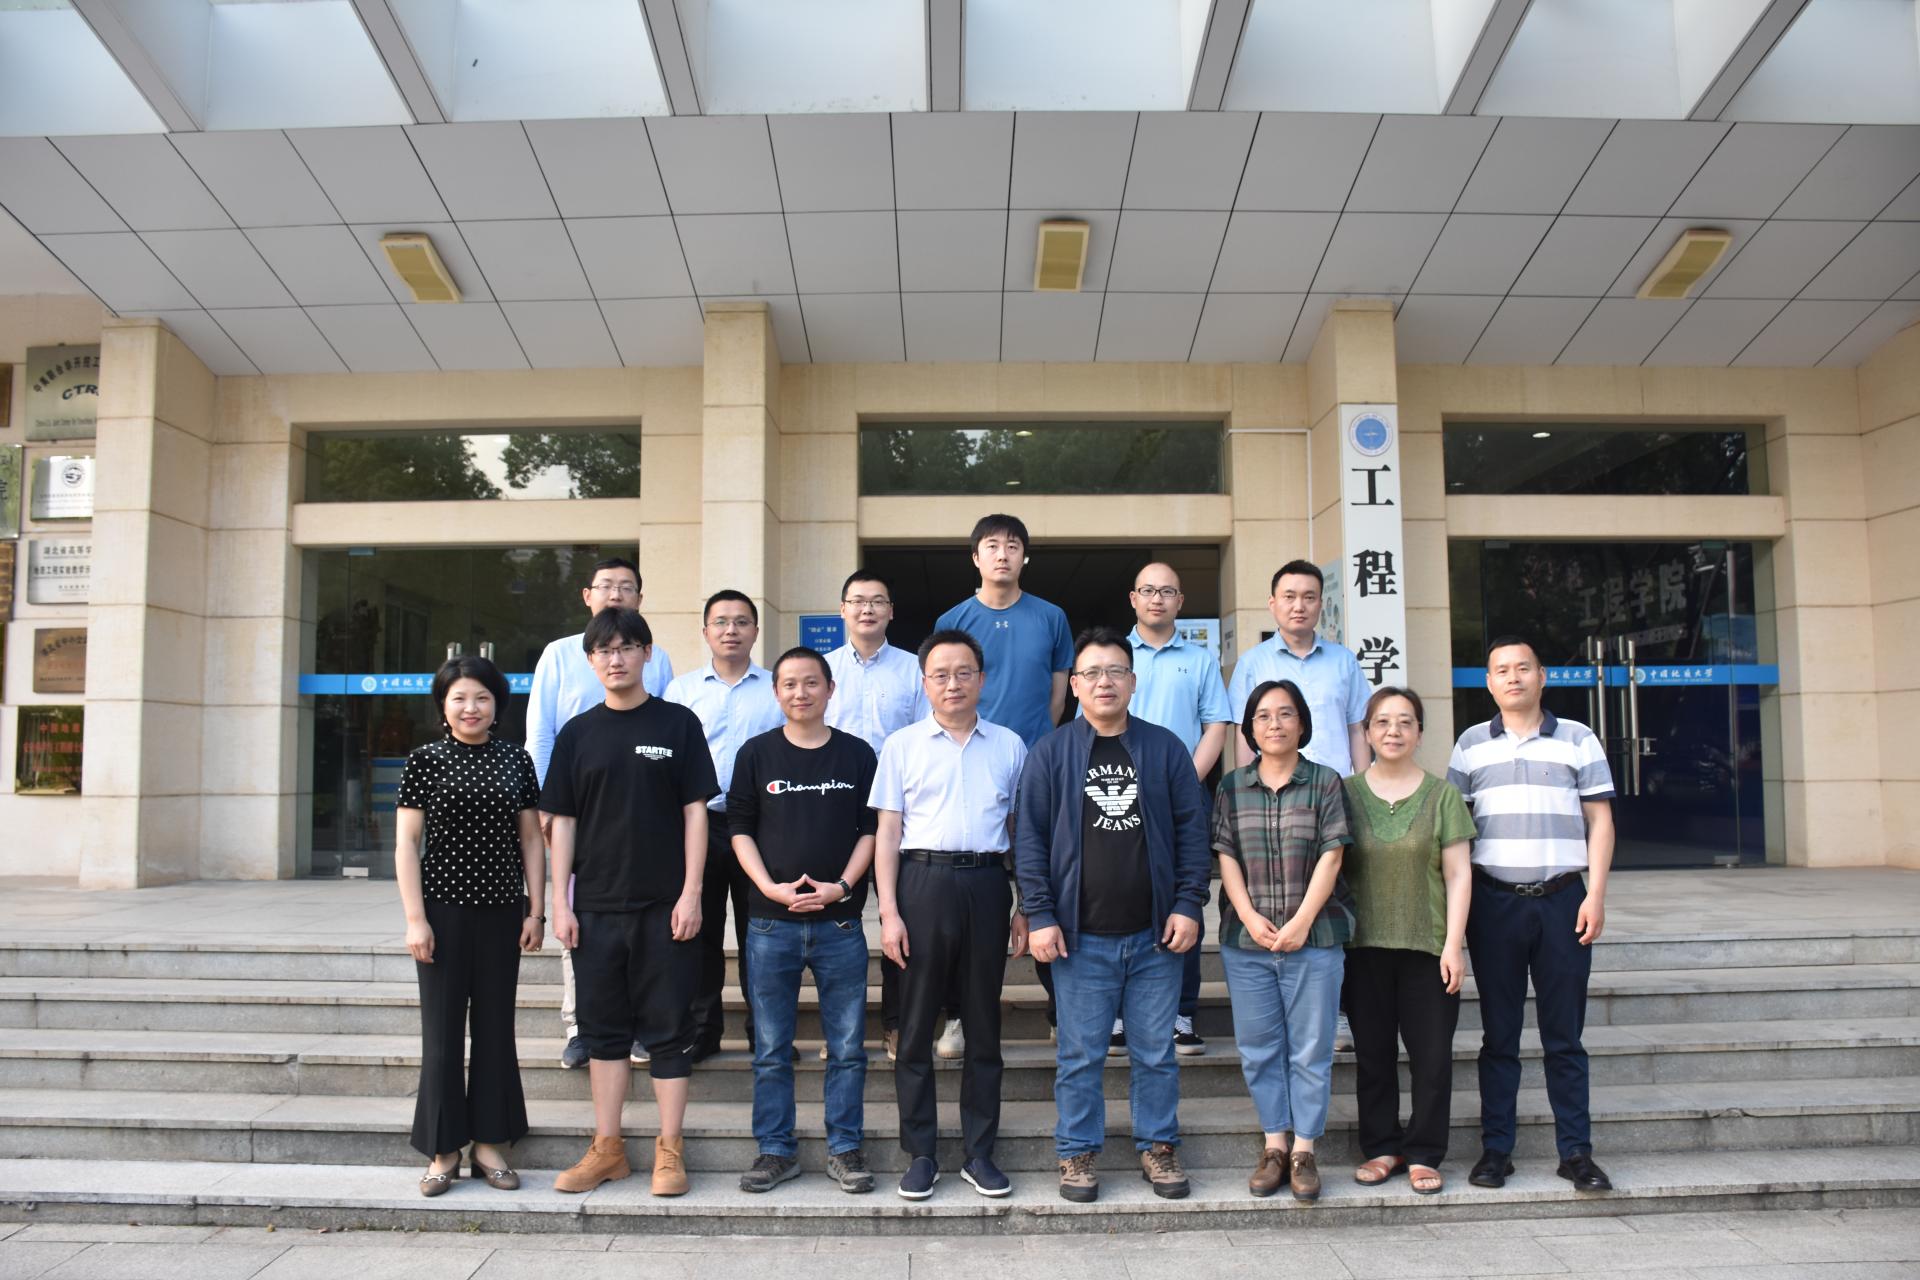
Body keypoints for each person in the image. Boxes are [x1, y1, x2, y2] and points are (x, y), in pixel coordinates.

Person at [1016, 627, 1211, 1204]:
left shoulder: (1164, 748)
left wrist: (1188, 903)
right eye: (1092, 673)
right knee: (1080, 1056)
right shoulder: (1051, 752)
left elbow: (1192, 831)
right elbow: (1029, 839)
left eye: (1116, 671)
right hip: (1079, 938)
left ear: (1133, 681)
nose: (1105, 682)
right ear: (1075, 685)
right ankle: (1077, 1152)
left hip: (1156, 935)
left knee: (1155, 1053)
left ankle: (1158, 1145)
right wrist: (1039, 913)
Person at [544, 608, 717, 1197]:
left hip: (665, 908)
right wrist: (560, 903)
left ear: (647, 653)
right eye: (603, 650)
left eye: (625, 647)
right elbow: (562, 823)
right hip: (594, 907)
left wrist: (692, 893)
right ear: (590, 661)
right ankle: (608, 1148)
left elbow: (696, 814)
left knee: (668, 1031)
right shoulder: (577, 734)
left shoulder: (678, 724)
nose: (615, 659)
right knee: (605, 1033)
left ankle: (670, 1150)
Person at [1449, 636, 1617, 1194]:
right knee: (1499, 1036)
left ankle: (1577, 1153)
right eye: (1501, 670)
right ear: (1488, 682)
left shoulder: (1578, 738)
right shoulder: (1469, 745)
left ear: (1542, 676)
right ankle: (1496, 1150)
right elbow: (1456, 836)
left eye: (1523, 668)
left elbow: (1600, 821)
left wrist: (1595, 894)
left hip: (1563, 900)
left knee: (1564, 1036)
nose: (1513, 677)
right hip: (1493, 904)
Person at [873, 628, 1030, 1201]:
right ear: (925, 683)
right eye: (940, 674)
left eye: (964, 673)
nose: (953, 683)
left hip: (987, 884)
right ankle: (920, 1154)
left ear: (981, 679)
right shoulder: (902, 745)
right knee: (915, 1026)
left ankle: (979, 1153)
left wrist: (1025, 905)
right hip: (922, 883)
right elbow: (887, 834)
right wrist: (889, 912)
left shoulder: (1009, 745)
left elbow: (1021, 832)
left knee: (983, 1024)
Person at [728, 646, 880, 1195]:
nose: (800, 693)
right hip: (771, 924)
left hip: (841, 925)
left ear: (830, 689)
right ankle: (775, 1150)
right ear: (776, 693)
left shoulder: (857, 755)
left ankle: (845, 1148)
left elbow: (872, 829)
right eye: (789, 684)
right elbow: (739, 827)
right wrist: (767, 887)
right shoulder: (756, 754)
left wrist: (843, 887)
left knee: (848, 1047)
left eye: (811, 682)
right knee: (771, 1049)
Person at [395, 655, 546, 1197]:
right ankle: (443, 1150)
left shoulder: (515, 760)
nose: (471, 707)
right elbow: (407, 844)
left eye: (481, 697)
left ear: (497, 705)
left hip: (502, 912)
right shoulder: (424, 761)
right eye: (459, 697)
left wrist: (536, 911)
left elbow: (531, 839)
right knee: (440, 1037)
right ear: (443, 705)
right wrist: (416, 919)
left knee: (495, 1031)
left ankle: (490, 1144)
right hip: (442, 914)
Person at [527, 556, 672, 1071]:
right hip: (574, 807)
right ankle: (580, 1026)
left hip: (638, 810)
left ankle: (637, 1024)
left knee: (639, 923)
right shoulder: (560, 653)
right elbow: (541, 731)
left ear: (639, 599)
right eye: (606, 586)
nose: (615, 594)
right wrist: (546, 806)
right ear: (587, 596)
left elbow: (664, 723)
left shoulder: (656, 655)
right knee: (576, 915)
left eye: (626, 587)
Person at [935, 513, 1072, 1054]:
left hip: (1037, 768)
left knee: (1046, 888)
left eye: (1013, 546)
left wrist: (1036, 748)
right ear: (975, 557)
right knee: (966, 898)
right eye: (991, 546)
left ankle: (1064, 1012)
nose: (1002, 554)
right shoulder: (954, 618)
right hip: (970, 769)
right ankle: (957, 1017)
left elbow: (1058, 694)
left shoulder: (1051, 616)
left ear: (1024, 557)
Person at [1213, 679, 1355, 1202]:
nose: (1275, 724)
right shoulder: (1232, 787)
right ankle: (1274, 1145)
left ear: (1302, 724)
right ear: (1250, 729)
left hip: (1314, 939)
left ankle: (1305, 1150)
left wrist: (1301, 922)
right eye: (1263, 716)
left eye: (1286, 713)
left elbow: (1333, 855)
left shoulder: (1325, 782)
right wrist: (1249, 916)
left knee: (1311, 1049)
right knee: (1258, 1049)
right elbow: (1226, 855)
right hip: (1247, 942)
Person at [1227, 559, 1371, 1054]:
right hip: (1270, 799)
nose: (1299, 606)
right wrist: (1245, 788)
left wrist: (1362, 788)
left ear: (1321, 605)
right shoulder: (1253, 663)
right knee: (1279, 896)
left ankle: (1340, 1011)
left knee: (1334, 901)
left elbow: (1357, 729)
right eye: (1289, 596)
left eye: (1309, 597)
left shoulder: (1344, 662)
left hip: (1332, 798)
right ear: (1273, 604)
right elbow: (1243, 732)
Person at [1343, 686, 1475, 1196]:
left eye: (1405, 722)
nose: (1393, 731)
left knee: (1432, 1057)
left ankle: (1423, 1152)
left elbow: (1458, 875)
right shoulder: (1345, 794)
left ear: (1420, 732)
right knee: (1373, 1056)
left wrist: (1454, 944)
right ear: (1367, 732)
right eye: (1382, 722)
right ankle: (1381, 1147)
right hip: (1363, 947)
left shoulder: (1443, 796)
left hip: (1429, 947)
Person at [1103, 561, 1232, 1057]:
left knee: (1184, 899)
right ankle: (1117, 1016)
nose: (1157, 598)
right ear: (1133, 598)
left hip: (1181, 795)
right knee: (1117, 896)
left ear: (1180, 601)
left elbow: (1215, 725)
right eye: (1148, 590)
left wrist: (1182, 781)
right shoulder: (1113, 656)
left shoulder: (1199, 660)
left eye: (1167, 591)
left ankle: (1181, 1013)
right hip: (1113, 793)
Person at [666, 589, 784, 1061]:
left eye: (740, 621)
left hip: (762, 826)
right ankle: (702, 1031)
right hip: (700, 824)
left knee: (762, 934)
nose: (730, 630)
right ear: (705, 632)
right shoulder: (681, 691)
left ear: (755, 630)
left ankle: (766, 1033)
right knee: (701, 933)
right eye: (720, 622)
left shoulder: (777, 687)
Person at [823, 569, 933, 1064]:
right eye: (857, 601)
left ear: (891, 611)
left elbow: (926, 739)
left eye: (877, 601)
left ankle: (896, 1024)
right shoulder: (823, 670)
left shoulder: (914, 670)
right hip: (835, 809)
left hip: (900, 813)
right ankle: (839, 1031)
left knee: (899, 915)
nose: (867, 609)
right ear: (843, 610)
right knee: (836, 924)